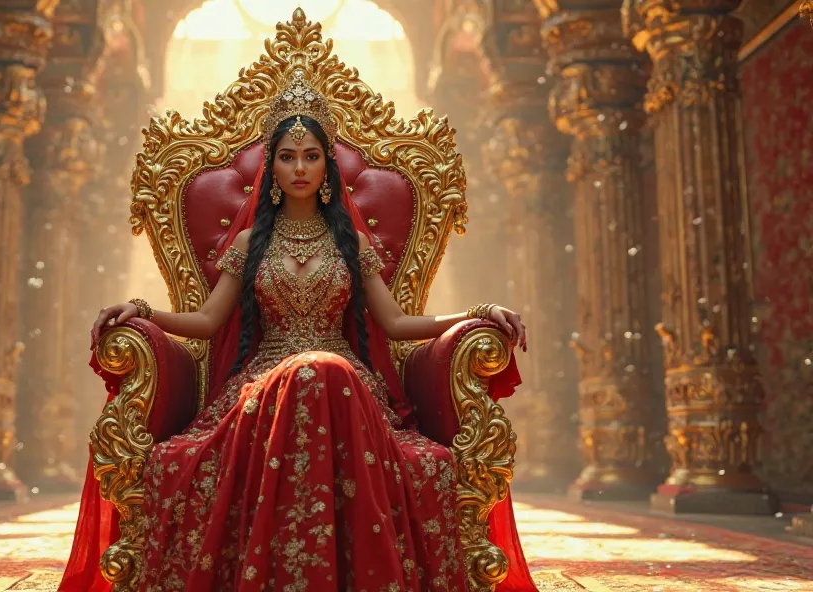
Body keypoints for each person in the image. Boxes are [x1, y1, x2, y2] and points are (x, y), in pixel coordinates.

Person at [61, 76, 537, 591]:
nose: (300, 168)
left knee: (325, 371)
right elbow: (204, 322)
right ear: (273, 167)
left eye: (311, 156)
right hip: (263, 386)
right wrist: (141, 309)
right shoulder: (249, 241)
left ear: (327, 165)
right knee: (312, 373)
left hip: (348, 391)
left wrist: (479, 312)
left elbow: (399, 325)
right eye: (288, 157)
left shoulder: (351, 240)